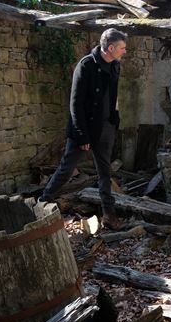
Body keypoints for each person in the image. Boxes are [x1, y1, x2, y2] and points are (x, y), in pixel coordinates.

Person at [39, 28, 128, 230]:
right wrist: (81, 134)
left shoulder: (115, 65)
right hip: (84, 128)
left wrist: (114, 121)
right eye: (122, 48)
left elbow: (113, 97)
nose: (125, 51)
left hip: (106, 128)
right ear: (111, 47)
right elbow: (75, 104)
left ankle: (109, 215)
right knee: (66, 169)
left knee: (105, 173)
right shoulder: (86, 65)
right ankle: (42, 203)